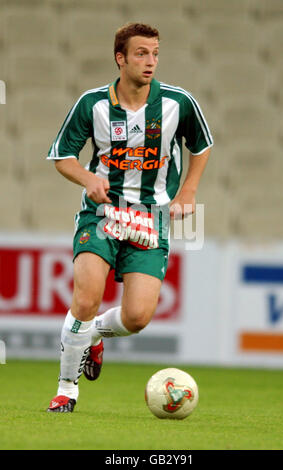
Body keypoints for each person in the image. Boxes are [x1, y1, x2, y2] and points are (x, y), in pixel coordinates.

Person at [46, 22, 213, 412]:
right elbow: (61, 155)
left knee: (138, 317)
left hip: (150, 219)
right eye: (141, 53)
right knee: (85, 300)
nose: (150, 61)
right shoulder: (92, 104)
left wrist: (188, 190)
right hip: (102, 214)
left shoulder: (178, 102)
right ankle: (66, 390)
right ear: (120, 58)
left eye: (155, 53)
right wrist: (88, 179)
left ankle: (94, 335)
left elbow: (201, 145)